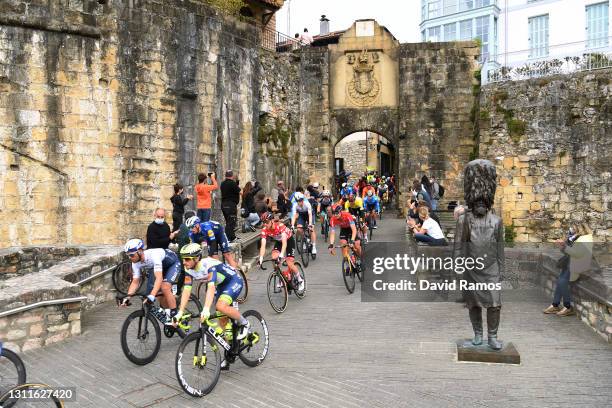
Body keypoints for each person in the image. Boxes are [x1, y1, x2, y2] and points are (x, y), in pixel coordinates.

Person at [176, 243, 249, 370]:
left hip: (233, 281)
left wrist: (205, 310)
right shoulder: (188, 269)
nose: (184, 262)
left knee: (220, 306)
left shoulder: (208, 265)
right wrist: (180, 312)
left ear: (196, 258)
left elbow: (210, 288)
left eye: (187, 259)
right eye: (183, 259)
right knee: (223, 322)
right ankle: (229, 355)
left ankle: (244, 323)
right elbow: (186, 290)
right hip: (221, 286)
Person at [119, 239, 179, 325]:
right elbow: (135, 282)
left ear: (140, 251)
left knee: (164, 287)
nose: (130, 258)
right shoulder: (135, 263)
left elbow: (159, 278)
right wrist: (127, 297)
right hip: (156, 268)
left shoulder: (153, 255)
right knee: (157, 294)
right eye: (128, 255)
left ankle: (175, 316)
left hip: (172, 264)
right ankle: (168, 314)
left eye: (131, 255)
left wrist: (152, 296)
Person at [543, 223, 593, 317]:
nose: (572, 229)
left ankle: (568, 307)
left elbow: (578, 254)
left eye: (574, 228)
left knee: (562, 282)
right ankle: (555, 305)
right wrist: (562, 246)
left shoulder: (585, 239)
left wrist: (564, 246)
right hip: (569, 262)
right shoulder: (575, 237)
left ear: (580, 229)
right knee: (560, 282)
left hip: (577, 265)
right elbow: (568, 251)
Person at [258, 212, 304, 291]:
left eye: (267, 222)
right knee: (274, 258)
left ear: (272, 221)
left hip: (289, 241)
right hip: (279, 242)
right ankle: (281, 278)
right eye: (263, 223)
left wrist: (282, 255)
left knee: (289, 262)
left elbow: (285, 243)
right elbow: (263, 245)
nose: (265, 224)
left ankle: (300, 279)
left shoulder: (280, 226)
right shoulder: (264, 230)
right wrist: (261, 258)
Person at [220, 169, 240, 242]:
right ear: (232, 176)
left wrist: (236, 182)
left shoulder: (222, 183)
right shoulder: (232, 183)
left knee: (229, 221)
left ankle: (232, 237)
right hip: (231, 205)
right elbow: (238, 191)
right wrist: (237, 181)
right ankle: (227, 239)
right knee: (231, 222)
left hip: (224, 204)